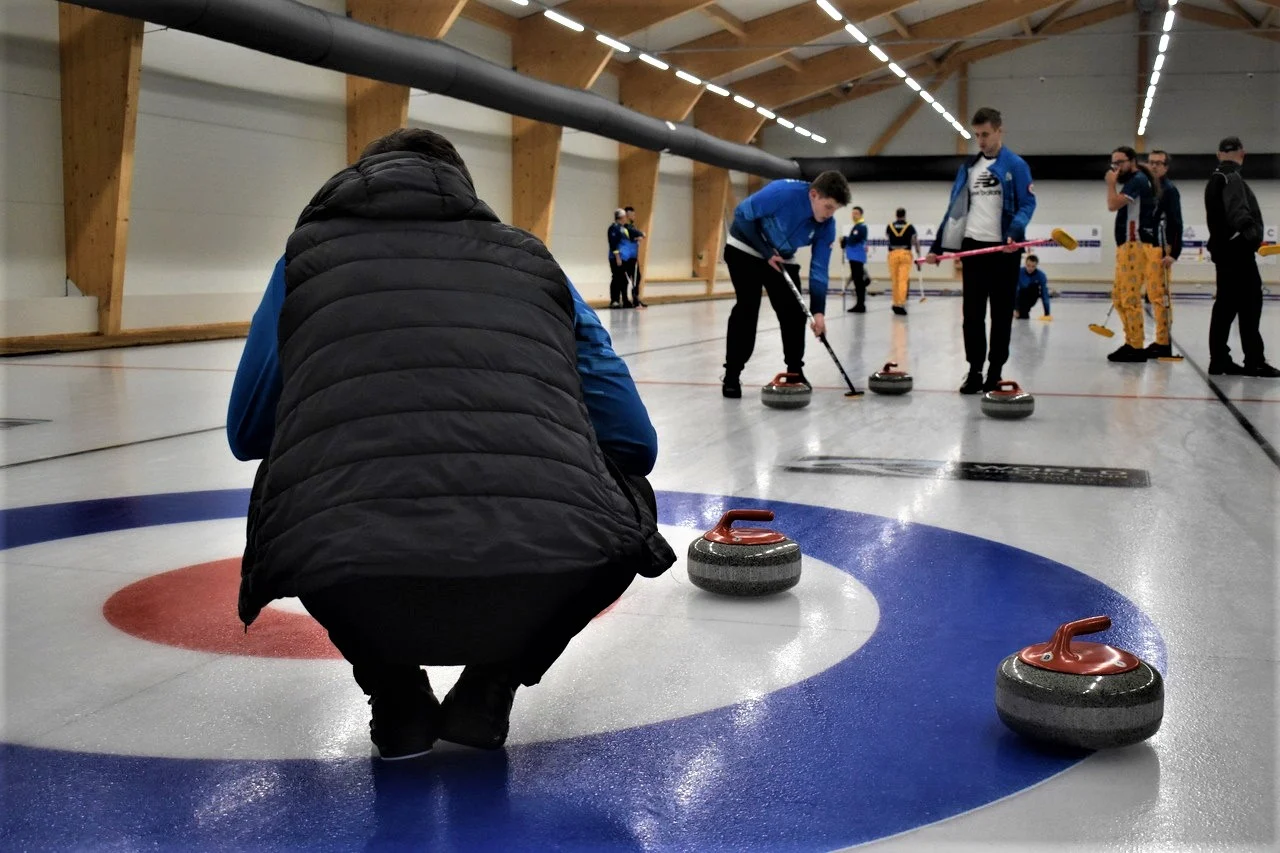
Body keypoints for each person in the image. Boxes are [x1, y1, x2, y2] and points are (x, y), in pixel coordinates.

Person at [227, 127, 676, 760]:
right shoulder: (531, 258)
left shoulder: (303, 260)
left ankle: (395, 697)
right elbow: (633, 440)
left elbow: (249, 434)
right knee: (628, 498)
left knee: (295, 473)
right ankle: (490, 691)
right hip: (543, 569)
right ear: (463, 189)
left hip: (354, 575)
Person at [926, 106, 1037, 393]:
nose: (981, 141)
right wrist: (937, 247)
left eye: (986, 134)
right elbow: (955, 210)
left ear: (1000, 131)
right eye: (977, 135)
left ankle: (995, 371)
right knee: (972, 315)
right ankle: (974, 370)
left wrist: (1015, 232)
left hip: (1004, 252)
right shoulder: (969, 168)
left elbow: (1027, 204)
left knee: (1001, 315)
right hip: (973, 249)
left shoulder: (1016, 165)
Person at [720, 170, 851, 398]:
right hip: (745, 247)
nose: (830, 214)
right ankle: (732, 373)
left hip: (781, 256)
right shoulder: (783, 192)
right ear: (813, 195)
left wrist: (818, 312)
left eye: (835, 210)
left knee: (794, 312)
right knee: (747, 308)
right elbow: (741, 215)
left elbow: (819, 269)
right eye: (828, 207)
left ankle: (795, 370)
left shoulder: (826, 226)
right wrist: (764, 251)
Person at [1204, 136, 1280, 377]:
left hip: (1223, 251)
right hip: (1237, 253)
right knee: (1249, 306)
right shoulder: (1232, 178)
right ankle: (1254, 360)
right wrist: (1251, 236)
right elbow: (1239, 212)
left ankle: (1219, 360)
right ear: (1242, 153)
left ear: (1218, 154)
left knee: (1225, 307)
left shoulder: (1214, 179)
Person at [1104, 145, 1162, 362]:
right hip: (1126, 246)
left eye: (1120, 162)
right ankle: (1131, 341)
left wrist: (1110, 184)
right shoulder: (1134, 181)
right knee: (1119, 297)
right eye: (1114, 163)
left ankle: (1136, 346)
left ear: (1132, 161)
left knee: (1129, 298)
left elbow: (1112, 204)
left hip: (1134, 245)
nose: (1116, 167)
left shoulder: (1137, 181)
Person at [1144, 150, 1181, 358]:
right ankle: (1159, 339)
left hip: (1162, 249)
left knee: (1161, 297)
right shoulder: (1148, 189)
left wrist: (1174, 252)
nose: (1154, 166)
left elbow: (1176, 222)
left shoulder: (1169, 190)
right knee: (1152, 295)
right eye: (1151, 162)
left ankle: (1164, 342)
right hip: (1148, 249)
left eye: (1159, 163)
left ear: (1166, 167)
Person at [885, 208, 920, 316]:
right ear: (905, 215)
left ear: (896, 215)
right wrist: (919, 255)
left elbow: (888, 238)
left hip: (893, 253)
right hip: (905, 253)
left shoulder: (890, 226)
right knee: (903, 280)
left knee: (895, 280)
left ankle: (895, 303)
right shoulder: (909, 227)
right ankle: (901, 303)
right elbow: (915, 241)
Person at [842, 205, 871, 313]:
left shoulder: (861, 227)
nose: (854, 215)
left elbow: (855, 239)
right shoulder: (856, 226)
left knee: (858, 281)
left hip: (857, 257)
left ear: (861, 215)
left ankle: (861, 304)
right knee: (857, 280)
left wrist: (845, 239)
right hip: (853, 257)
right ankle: (859, 303)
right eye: (853, 213)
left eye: (856, 213)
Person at [607, 208, 634, 308]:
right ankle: (615, 300)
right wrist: (617, 256)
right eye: (625, 217)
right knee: (616, 278)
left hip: (624, 258)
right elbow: (613, 243)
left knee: (623, 279)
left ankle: (625, 299)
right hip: (616, 258)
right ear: (621, 217)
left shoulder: (623, 228)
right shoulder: (614, 228)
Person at [623, 206, 646, 307]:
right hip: (627, 257)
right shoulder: (626, 227)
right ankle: (632, 300)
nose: (634, 216)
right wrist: (640, 235)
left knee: (637, 277)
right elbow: (637, 234)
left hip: (632, 256)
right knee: (631, 278)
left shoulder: (632, 226)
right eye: (632, 214)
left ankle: (635, 298)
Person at [1014, 254, 1050, 319]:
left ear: (1036, 265)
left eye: (1033, 266)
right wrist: (1016, 308)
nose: (1030, 268)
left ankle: (1022, 311)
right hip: (1019, 296)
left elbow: (1044, 294)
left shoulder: (1041, 276)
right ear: (1025, 264)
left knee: (1033, 287)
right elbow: (1014, 290)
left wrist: (1047, 313)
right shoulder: (1019, 272)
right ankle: (1019, 311)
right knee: (1023, 316)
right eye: (1028, 266)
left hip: (1032, 296)